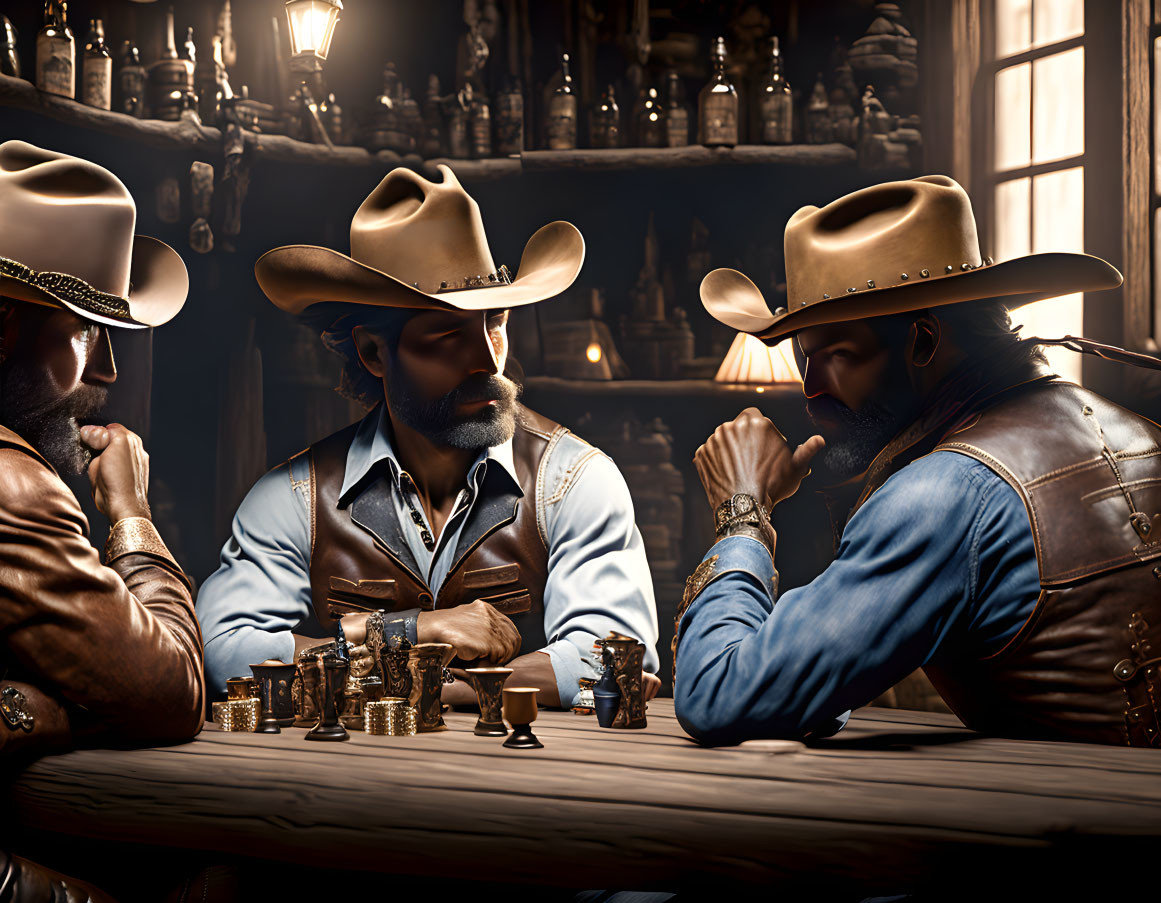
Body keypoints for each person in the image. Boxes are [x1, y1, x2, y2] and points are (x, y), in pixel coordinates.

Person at [674, 174, 1161, 747]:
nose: (811, 389)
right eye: (809, 359)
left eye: (837, 355)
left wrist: (743, 514)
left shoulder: (944, 493)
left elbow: (717, 695)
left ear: (925, 342)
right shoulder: (1143, 433)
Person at [197, 164, 659, 708]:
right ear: (373, 353)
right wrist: (415, 630)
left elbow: (612, 659)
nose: (488, 359)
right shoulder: (296, 497)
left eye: (496, 322)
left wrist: (416, 683)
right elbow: (223, 652)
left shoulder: (575, 481)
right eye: (448, 335)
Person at [0, 141, 203, 898]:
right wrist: (130, 509)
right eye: (85, 329)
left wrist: (22, 707)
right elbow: (174, 688)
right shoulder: (14, 484)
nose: (110, 368)